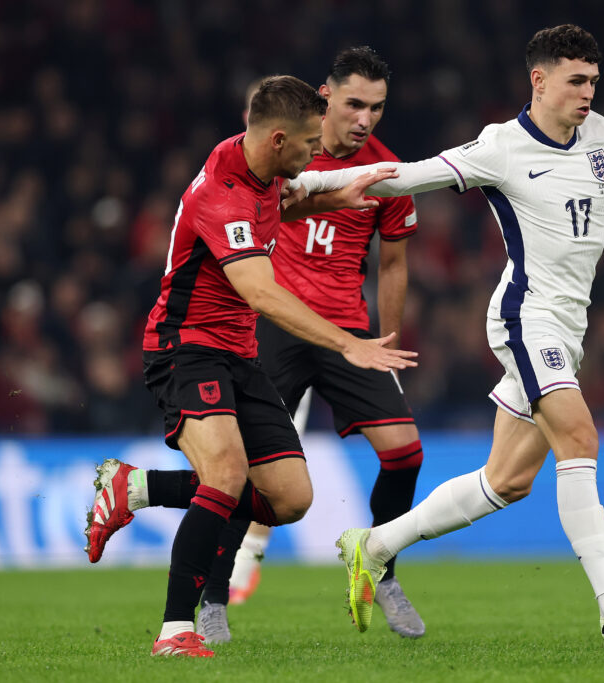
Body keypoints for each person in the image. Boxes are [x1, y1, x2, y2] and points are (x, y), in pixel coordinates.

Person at [287, 25, 604, 646]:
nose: (588, 93)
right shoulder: (501, 147)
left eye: (594, 81)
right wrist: (308, 185)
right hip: (527, 316)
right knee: (580, 434)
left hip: (569, 327)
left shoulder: (597, 134)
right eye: (576, 81)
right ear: (539, 81)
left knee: (507, 481)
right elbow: (404, 175)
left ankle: (374, 543)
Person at [83, 75, 414, 658]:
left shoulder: (263, 168)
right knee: (227, 476)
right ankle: (175, 630)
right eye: (311, 142)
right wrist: (347, 343)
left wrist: (331, 195)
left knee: (289, 499)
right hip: (184, 346)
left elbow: (289, 196)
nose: (319, 151)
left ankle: (134, 487)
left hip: (239, 354)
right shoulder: (223, 193)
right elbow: (260, 291)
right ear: (280, 138)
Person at [197, 47, 427, 642]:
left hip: (347, 329)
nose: (365, 119)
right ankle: (213, 595)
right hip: (277, 323)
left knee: (405, 452)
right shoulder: (283, 152)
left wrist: (387, 340)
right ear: (325, 98)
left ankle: (382, 567)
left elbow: (394, 263)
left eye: (376, 107)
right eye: (354, 103)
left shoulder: (388, 173)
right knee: (246, 467)